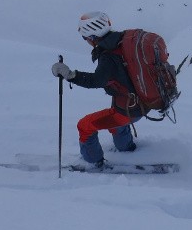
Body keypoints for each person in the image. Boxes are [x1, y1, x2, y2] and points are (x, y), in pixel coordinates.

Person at [50, 11, 139, 166]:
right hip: (140, 103)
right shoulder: (121, 41)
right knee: (116, 116)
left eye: (85, 37)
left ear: (92, 36)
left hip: (129, 108)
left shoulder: (108, 55)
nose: (85, 41)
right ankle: (126, 148)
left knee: (85, 125)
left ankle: (93, 161)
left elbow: (97, 81)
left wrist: (70, 75)